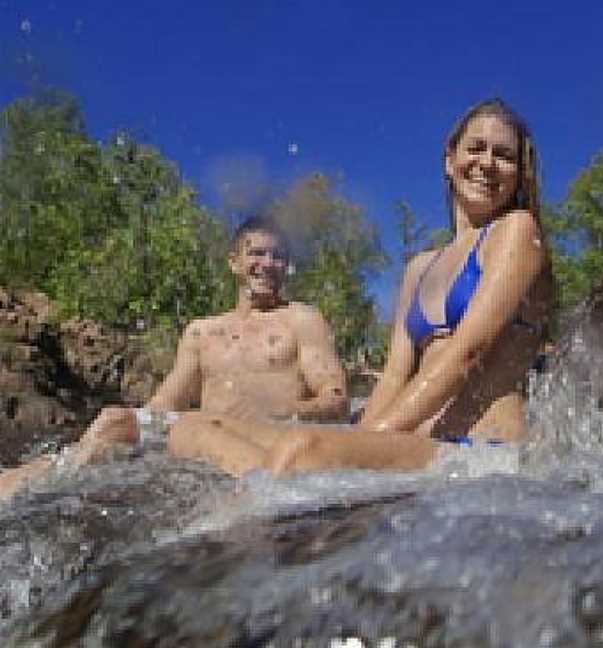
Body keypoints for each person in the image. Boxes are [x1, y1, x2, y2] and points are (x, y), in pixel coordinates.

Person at [165, 97, 552, 476]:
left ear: (519, 173)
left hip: (481, 449)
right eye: (476, 148)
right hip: (412, 445)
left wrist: (372, 438)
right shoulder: (420, 267)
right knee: (193, 428)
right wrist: (359, 438)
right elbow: (396, 376)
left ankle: (270, 491)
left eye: (504, 155)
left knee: (305, 451)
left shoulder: (516, 231)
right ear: (450, 160)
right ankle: (265, 485)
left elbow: (468, 352)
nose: (487, 163)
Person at [0, 216, 347, 496]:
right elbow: (166, 404)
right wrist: (131, 425)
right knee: (113, 421)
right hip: (204, 439)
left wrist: (280, 412)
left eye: (278, 256)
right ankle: (30, 488)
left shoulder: (302, 320)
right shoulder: (201, 331)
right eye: (256, 253)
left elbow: (336, 400)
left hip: (264, 440)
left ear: (287, 266)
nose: (268, 263)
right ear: (234, 263)